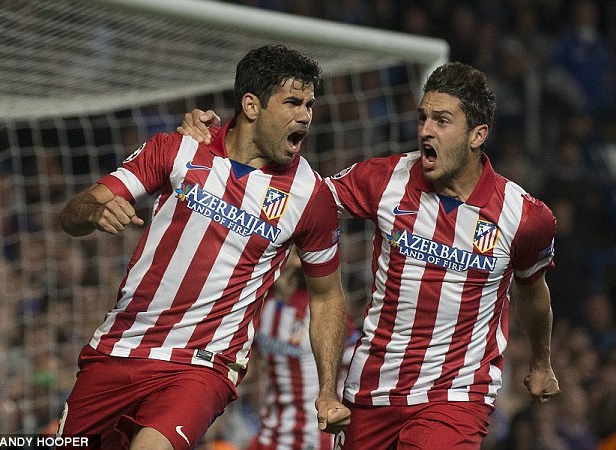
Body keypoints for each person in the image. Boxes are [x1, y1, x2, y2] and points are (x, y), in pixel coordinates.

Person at [179, 60, 561, 449]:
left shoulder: (525, 217)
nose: (426, 129)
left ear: (478, 134)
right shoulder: (386, 179)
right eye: (423, 117)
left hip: (456, 396)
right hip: (371, 391)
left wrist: (541, 362)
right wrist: (218, 144)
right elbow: (305, 201)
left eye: (442, 121)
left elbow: (533, 291)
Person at [56, 44, 351, 450]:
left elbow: (328, 297)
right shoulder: (178, 149)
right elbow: (72, 214)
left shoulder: (310, 196)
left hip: (201, 365)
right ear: (251, 105)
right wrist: (94, 212)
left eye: (309, 105)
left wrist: (327, 390)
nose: (305, 115)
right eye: (292, 103)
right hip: (119, 347)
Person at [245, 248, 359, 450]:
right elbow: (251, 367)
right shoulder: (261, 301)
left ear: (297, 259)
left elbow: (356, 371)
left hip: (316, 439)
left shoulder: (322, 311)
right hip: (270, 435)